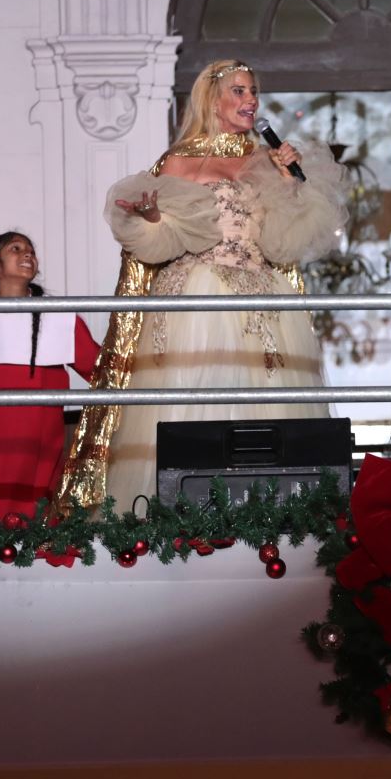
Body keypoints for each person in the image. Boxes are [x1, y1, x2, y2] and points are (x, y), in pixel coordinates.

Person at [59, 60, 344, 509]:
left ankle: (266, 512)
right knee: (194, 407)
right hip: (198, 295)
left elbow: (282, 241)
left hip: (261, 300)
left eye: (253, 91)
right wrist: (152, 218)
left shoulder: (268, 160)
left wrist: (291, 185)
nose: (250, 100)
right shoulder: (179, 161)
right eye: (239, 91)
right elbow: (162, 243)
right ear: (212, 98)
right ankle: (187, 516)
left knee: (269, 409)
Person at [0, 231, 101, 526]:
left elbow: (99, 367)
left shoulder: (59, 315)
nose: (28, 255)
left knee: (32, 519)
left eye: (31, 251)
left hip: (35, 440)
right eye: (16, 249)